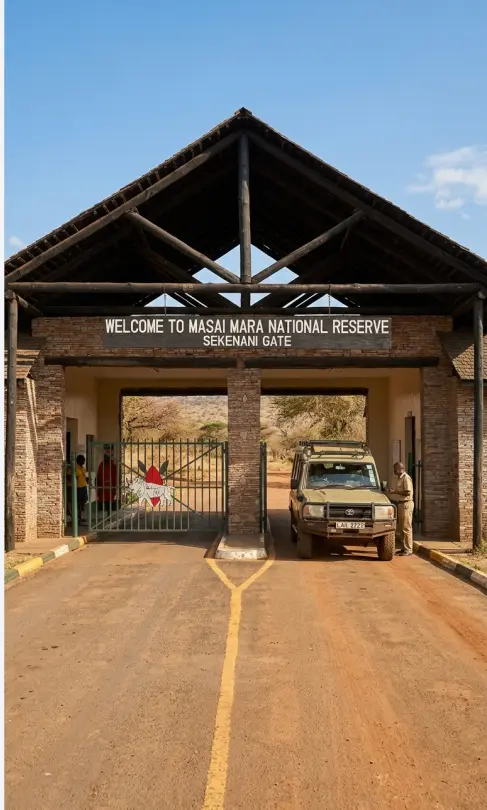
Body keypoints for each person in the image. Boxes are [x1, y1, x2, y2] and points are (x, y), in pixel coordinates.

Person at [387, 461, 414, 556]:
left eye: (395, 469)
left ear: (399, 469)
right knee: (401, 527)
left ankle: (408, 549)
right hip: (401, 504)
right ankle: (403, 548)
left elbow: (407, 492)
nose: (394, 471)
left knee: (406, 527)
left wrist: (395, 492)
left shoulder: (406, 478)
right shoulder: (400, 478)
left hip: (406, 504)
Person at [97, 446, 118, 516]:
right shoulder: (102, 464)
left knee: (109, 500)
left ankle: (109, 514)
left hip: (110, 486)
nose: (106, 458)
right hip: (103, 486)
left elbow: (115, 476)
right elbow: (98, 474)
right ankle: (107, 514)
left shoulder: (113, 465)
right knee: (105, 500)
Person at [76, 455, 89, 525]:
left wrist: (88, 480)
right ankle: (79, 517)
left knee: (84, 500)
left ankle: (81, 516)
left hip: (84, 487)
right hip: (78, 487)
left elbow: (86, 476)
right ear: (78, 460)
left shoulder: (83, 468)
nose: (83, 461)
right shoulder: (76, 468)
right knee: (78, 503)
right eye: (82, 460)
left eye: (84, 460)